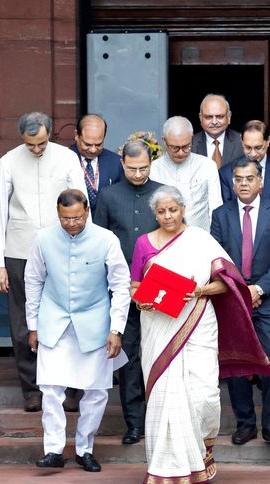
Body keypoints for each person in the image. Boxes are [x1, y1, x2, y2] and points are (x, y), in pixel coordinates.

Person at [131, 185, 270, 484]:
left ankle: (200, 456)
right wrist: (139, 300)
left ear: (184, 210)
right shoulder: (143, 243)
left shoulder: (200, 240)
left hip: (197, 320)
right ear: (154, 213)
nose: (168, 216)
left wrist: (199, 290)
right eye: (161, 211)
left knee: (203, 394)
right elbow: (134, 285)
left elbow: (228, 284)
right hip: (158, 325)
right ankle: (165, 466)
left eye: (173, 210)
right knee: (165, 395)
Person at [24, 189, 130, 472]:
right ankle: (53, 450)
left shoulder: (106, 239)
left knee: (96, 392)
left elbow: (121, 285)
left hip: (95, 323)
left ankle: (85, 449)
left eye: (76, 218)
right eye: (65, 219)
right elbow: (33, 280)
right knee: (50, 390)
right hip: (53, 321)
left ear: (86, 212)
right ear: (57, 214)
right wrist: (32, 325)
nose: (71, 223)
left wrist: (116, 329)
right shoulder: (43, 238)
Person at [0, 111, 88, 413]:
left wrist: (85, 249)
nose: (36, 150)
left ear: (50, 135)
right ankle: (32, 390)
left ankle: (72, 389)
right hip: (19, 250)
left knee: (70, 319)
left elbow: (82, 203)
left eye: (41, 144)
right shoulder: (8, 161)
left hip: (64, 247)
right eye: (30, 145)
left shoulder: (67, 158)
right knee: (22, 322)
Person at [210, 157, 270, 448]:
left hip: (269, 299)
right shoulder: (220, 215)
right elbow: (218, 258)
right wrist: (241, 291)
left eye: (248, 179)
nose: (243, 184)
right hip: (233, 298)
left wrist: (259, 289)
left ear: (260, 181)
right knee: (236, 361)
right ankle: (245, 424)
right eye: (238, 179)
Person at [93, 140, 163, 445]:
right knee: (130, 355)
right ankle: (134, 422)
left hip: (158, 287)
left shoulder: (163, 194)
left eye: (144, 168)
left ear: (151, 164)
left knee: (159, 353)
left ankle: (161, 418)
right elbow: (99, 242)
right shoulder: (108, 196)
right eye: (132, 168)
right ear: (122, 164)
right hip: (121, 289)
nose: (138, 173)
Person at [149, 116, 222, 232]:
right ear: (164, 141)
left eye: (186, 146)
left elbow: (216, 208)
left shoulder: (207, 166)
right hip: (164, 241)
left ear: (191, 138)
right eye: (175, 148)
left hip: (200, 239)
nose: (181, 152)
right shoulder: (153, 169)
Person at [219, 120, 270, 203]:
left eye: (258, 148)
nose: (253, 154)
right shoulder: (226, 173)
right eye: (248, 147)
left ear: (268, 141)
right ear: (241, 141)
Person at [69, 113, 126, 212]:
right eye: (87, 144)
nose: (93, 150)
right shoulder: (64, 159)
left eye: (99, 144)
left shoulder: (116, 162)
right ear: (76, 136)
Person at [191, 94, 244, 169]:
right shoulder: (190, 144)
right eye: (209, 117)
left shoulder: (242, 142)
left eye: (219, 116)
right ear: (200, 118)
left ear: (229, 117)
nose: (214, 122)